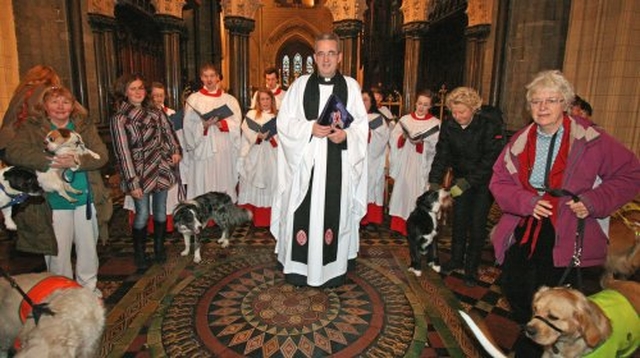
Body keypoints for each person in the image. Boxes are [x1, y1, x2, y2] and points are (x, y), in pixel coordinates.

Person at [490, 70, 640, 356]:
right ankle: (536, 336)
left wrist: (594, 200)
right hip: (527, 226)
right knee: (515, 285)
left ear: (566, 104)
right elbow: (499, 180)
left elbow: (631, 174)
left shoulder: (592, 139)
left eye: (551, 100)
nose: (542, 107)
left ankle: (543, 347)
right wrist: (526, 201)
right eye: (536, 101)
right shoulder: (521, 139)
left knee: (561, 300)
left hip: (569, 229)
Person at [271, 33, 368, 287]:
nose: (326, 59)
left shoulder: (351, 86)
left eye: (331, 53)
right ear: (314, 57)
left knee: (335, 213)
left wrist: (345, 135)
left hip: (338, 164)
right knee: (303, 211)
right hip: (306, 164)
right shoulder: (300, 85)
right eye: (321, 53)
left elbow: (361, 127)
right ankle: (299, 268)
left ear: (340, 56)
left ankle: (332, 269)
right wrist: (309, 129)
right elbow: (284, 123)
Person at [5, 86, 112, 297]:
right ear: (45, 106)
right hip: (53, 201)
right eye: (55, 102)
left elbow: (102, 155)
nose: (60, 107)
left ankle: (88, 288)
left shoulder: (83, 125)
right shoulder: (33, 127)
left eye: (65, 102)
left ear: (73, 106)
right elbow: (13, 152)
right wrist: (49, 161)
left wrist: (77, 161)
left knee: (88, 248)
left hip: (86, 196)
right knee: (58, 252)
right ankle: (62, 291)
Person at [428, 87, 505, 287]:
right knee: (459, 221)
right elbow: (442, 154)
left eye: (462, 112)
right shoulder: (449, 126)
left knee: (477, 225)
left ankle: (471, 267)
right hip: (461, 178)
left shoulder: (488, 126)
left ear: (473, 109)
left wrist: (468, 182)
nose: (457, 116)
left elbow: (490, 160)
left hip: (483, 182)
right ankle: (456, 259)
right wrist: (434, 181)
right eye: (454, 112)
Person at [111, 74, 182, 271]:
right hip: (138, 172)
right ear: (124, 92)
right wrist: (132, 183)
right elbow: (123, 153)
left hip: (160, 168)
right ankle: (140, 253)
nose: (138, 92)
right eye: (132, 89)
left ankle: (159, 249)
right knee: (142, 213)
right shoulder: (120, 118)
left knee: (160, 211)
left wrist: (175, 150)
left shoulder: (156, 112)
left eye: (141, 88)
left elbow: (169, 133)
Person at [183, 63, 242, 202]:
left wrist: (222, 123)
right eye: (205, 76)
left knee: (223, 177)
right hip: (203, 147)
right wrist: (202, 125)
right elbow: (188, 126)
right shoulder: (194, 99)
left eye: (212, 76)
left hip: (224, 147)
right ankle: (203, 212)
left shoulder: (230, 100)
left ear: (217, 78)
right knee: (204, 178)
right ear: (201, 78)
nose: (209, 79)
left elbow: (236, 123)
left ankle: (223, 213)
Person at [387, 90, 441, 236]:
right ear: (415, 103)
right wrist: (403, 138)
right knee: (402, 192)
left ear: (430, 107)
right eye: (419, 103)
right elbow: (394, 138)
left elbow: (436, 147)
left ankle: (417, 227)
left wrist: (423, 143)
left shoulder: (435, 123)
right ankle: (399, 226)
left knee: (418, 192)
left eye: (425, 105)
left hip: (421, 164)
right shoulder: (405, 120)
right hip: (405, 161)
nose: (421, 107)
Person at [0, 65, 62, 159]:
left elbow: (8, 119)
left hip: (5, 143)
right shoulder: (49, 90)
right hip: (26, 144)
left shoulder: (21, 91)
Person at [238, 88, 279, 227]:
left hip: (273, 153)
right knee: (255, 180)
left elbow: (285, 135)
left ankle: (272, 217)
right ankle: (256, 217)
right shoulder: (252, 114)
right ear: (258, 101)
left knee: (271, 180)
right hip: (256, 152)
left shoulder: (278, 116)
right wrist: (257, 136)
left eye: (268, 99)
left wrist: (273, 136)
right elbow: (247, 132)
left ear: (272, 100)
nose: (265, 102)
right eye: (262, 99)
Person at [360, 89, 390, 227]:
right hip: (357, 160)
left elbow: (382, 138)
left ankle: (370, 218)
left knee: (371, 186)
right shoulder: (354, 117)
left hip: (372, 159)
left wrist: (369, 133)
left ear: (371, 102)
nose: (362, 102)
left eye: (365, 99)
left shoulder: (378, 118)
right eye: (360, 99)